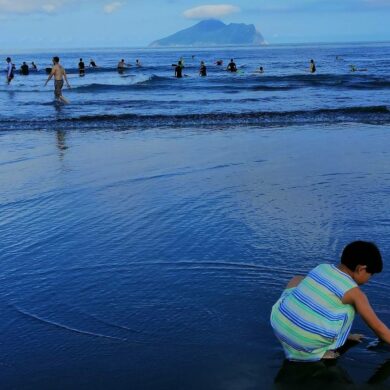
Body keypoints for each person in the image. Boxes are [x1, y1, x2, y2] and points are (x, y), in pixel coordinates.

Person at [270, 241, 390, 362]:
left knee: (299, 280)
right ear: (361, 269)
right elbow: (378, 328)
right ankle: (319, 352)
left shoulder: (322, 267)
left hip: (279, 323)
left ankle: (294, 317)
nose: (369, 279)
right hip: (306, 342)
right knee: (351, 307)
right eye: (371, 274)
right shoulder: (355, 293)